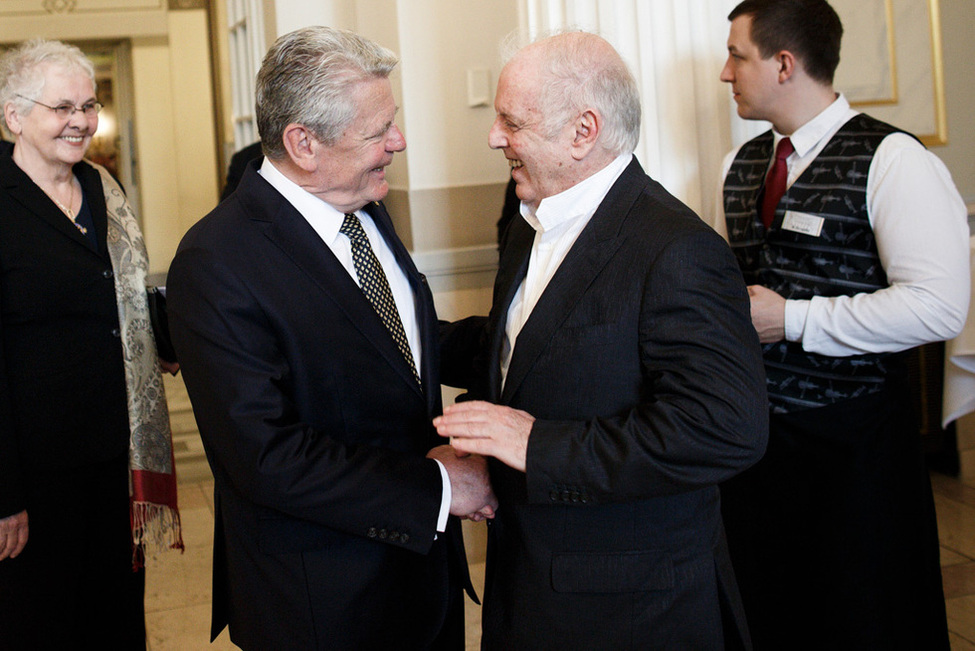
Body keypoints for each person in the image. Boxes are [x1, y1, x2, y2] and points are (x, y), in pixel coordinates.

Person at [435, 31, 769, 650]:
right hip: (532, 582)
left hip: (633, 606)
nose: (493, 137)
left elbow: (726, 426)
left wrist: (539, 445)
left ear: (582, 132)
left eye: (511, 121)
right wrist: (401, 338)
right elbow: (524, 348)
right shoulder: (531, 221)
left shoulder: (677, 251)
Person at [166, 26, 496, 650]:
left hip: (422, 579)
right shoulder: (217, 260)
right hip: (324, 602)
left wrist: (522, 338)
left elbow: (396, 343)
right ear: (303, 143)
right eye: (378, 132)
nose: (398, 142)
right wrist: (442, 486)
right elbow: (265, 457)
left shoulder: (364, 208)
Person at [714, 1, 970, 648]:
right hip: (758, 445)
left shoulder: (891, 159)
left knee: (860, 616)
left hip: (854, 444)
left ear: (783, 63)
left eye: (736, 55)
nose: (724, 73)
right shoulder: (739, 166)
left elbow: (937, 305)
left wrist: (792, 319)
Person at [0, 39, 182, 650]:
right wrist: (4, 495)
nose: (79, 120)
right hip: (34, 470)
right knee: (41, 622)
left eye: (89, 104)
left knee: (116, 619)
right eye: (60, 107)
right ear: (13, 115)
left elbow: (128, 302)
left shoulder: (104, 190)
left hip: (115, 453)